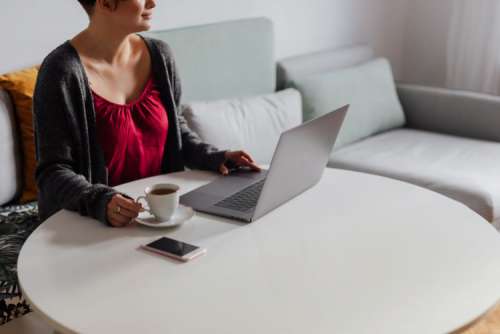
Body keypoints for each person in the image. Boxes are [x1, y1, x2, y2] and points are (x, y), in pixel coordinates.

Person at [33, 0, 260, 228]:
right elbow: (52, 172)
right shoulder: (60, 71)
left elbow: (175, 132)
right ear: (105, 3)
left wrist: (214, 157)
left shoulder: (160, 55)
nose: (153, 2)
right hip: (93, 226)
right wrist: (101, 201)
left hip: (156, 220)